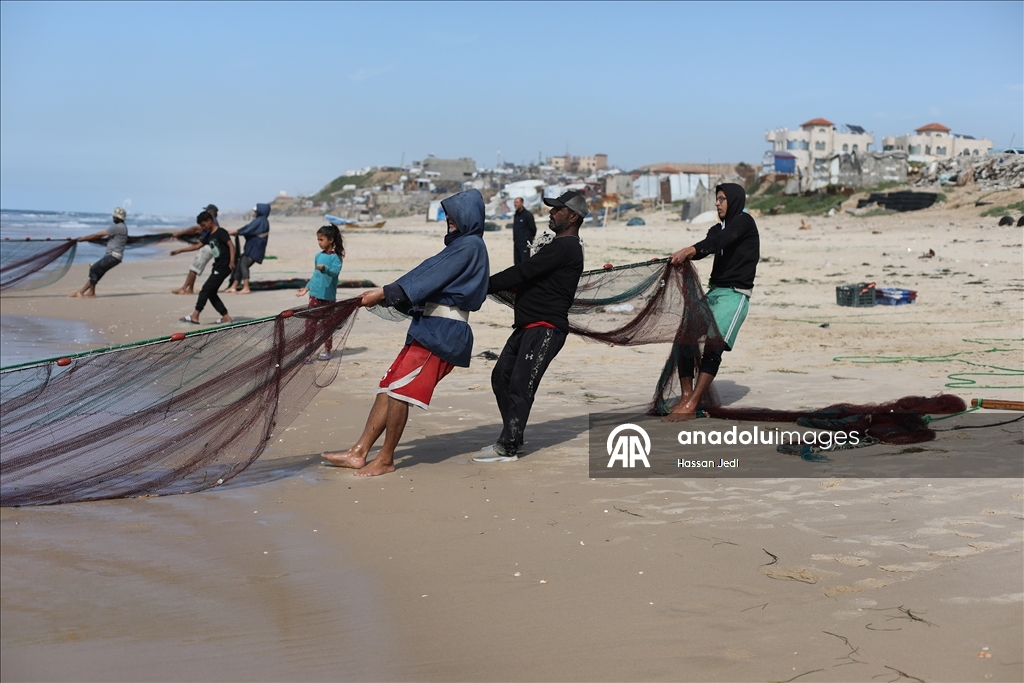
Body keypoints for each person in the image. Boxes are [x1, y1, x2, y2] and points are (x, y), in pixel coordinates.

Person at [322, 189, 490, 477]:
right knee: (387, 386)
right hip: (427, 328)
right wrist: (385, 294)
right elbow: (425, 274)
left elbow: (428, 277)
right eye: (447, 214)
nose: (449, 218)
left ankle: (386, 459)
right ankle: (359, 451)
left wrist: (384, 293)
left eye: (454, 214)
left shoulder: (470, 246)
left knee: (400, 391)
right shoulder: (461, 246)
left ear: (468, 217)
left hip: (443, 333)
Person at [475, 190, 587, 463]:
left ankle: (508, 446)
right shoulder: (557, 248)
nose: (551, 212)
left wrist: (483, 285)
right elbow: (529, 276)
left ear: (572, 216)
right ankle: (513, 435)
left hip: (546, 328)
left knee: (520, 384)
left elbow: (523, 272)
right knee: (501, 377)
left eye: (557, 209)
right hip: (527, 326)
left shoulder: (567, 247)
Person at [663, 182, 759, 421]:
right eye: (717, 199)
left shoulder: (745, 223)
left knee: (713, 347)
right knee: (685, 338)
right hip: (714, 291)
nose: (717, 203)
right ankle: (686, 398)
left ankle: (694, 402)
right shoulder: (718, 229)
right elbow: (707, 248)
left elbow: (719, 242)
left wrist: (688, 249)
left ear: (734, 200)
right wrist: (675, 258)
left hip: (735, 295)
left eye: (722, 199)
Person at [296, 224, 344, 361]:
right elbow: (315, 275)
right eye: (318, 239)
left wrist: (325, 269)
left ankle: (327, 351)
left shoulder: (336, 258)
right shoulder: (318, 256)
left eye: (321, 239)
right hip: (315, 295)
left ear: (331, 240)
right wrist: (306, 288)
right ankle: (308, 352)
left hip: (328, 297)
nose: (319, 242)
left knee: (327, 326)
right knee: (310, 324)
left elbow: (334, 273)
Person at [178, 211, 235, 325]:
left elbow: (231, 245)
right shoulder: (210, 235)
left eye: (203, 225)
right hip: (217, 266)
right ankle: (226, 317)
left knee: (205, 289)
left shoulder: (221, 232)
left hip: (225, 265)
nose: (203, 228)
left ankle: (195, 315)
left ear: (210, 221)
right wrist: (180, 250)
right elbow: (198, 246)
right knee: (211, 292)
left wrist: (232, 261)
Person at [70, 207, 129, 298]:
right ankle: (81, 292)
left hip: (113, 256)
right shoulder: (122, 227)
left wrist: (82, 239)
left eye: (114, 216)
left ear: (118, 217)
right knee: (97, 272)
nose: (113, 217)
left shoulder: (117, 227)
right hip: (115, 256)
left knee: (94, 269)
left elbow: (98, 235)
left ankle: (91, 293)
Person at [170, 204, 220, 295]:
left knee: (194, 268)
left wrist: (180, 233)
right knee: (193, 267)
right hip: (208, 247)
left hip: (207, 248)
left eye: (207, 211)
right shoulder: (213, 223)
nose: (205, 213)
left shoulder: (211, 223)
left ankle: (189, 290)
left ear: (212, 212)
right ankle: (184, 288)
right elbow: (199, 231)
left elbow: (196, 229)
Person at [226, 203, 271, 294]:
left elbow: (248, 229)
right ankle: (234, 286)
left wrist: (238, 232)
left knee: (244, 265)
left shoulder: (260, 221)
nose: (254, 212)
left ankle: (246, 287)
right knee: (239, 264)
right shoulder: (260, 220)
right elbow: (249, 229)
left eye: (256, 211)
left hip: (255, 248)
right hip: (252, 247)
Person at [511, 196, 537, 266]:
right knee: (517, 263)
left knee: (524, 263)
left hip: (525, 243)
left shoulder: (527, 215)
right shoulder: (516, 215)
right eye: (514, 202)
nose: (515, 204)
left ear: (522, 203)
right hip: (517, 243)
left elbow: (533, 228)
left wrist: (530, 238)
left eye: (517, 202)